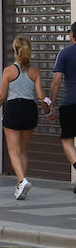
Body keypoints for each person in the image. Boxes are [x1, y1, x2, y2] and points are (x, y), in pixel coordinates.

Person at [0, 35, 48, 200]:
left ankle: (22, 180)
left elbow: (2, 96)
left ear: (15, 51)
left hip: (13, 109)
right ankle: (20, 185)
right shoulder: (35, 71)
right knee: (23, 150)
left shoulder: (9, 71)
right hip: (30, 109)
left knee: (13, 150)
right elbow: (41, 96)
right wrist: (48, 109)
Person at [48, 22, 76, 192]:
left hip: (70, 104)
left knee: (67, 140)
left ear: (72, 35)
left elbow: (57, 81)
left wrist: (51, 104)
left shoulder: (64, 53)